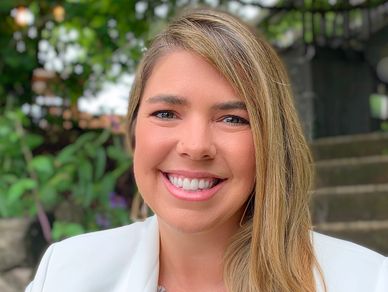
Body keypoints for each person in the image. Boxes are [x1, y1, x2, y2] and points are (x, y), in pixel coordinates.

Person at [26, 8, 387, 292]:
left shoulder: (367, 281)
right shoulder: (65, 272)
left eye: (232, 119)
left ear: (272, 139)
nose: (196, 146)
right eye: (166, 113)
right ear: (134, 129)